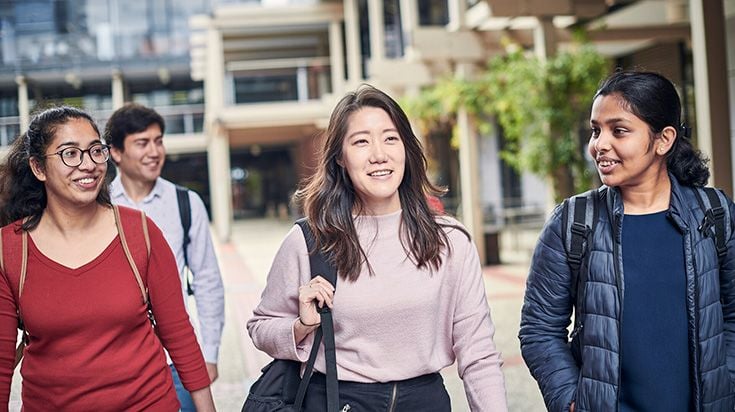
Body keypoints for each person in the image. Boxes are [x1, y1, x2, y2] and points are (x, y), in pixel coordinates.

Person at [247, 85, 507, 411]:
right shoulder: (311, 241)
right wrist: (302, 326)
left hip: (425, 402)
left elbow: (478, 352)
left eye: (390, 138)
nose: (378, 154)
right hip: (338, 402)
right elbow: (260, 328)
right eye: (361, 141)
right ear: (340, 157)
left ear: (406, 149)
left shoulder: (450, 240)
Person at [519, 71, 735, 411]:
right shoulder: (573, 222)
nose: (599, 144)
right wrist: (573, 402)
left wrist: (726, 385)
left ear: (663, 139)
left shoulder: (715, 215)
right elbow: (539, 330)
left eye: (618, 130)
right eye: (595, 130)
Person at [0, 106, 215, 411]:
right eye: (70, 154)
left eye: (94, 151)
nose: (87, 164)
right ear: (38, 168)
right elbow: (2, 361)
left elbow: (178, 332)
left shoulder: (139, 232)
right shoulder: (10, 249)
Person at [105, 103, 225, 411]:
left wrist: (208, 353)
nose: (155, 151)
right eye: (142, 143)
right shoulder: (97, 207)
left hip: (175, 361)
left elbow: (208, 281)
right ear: (116, 152)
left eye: (158, 141)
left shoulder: (186, 203)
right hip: (113, 366)